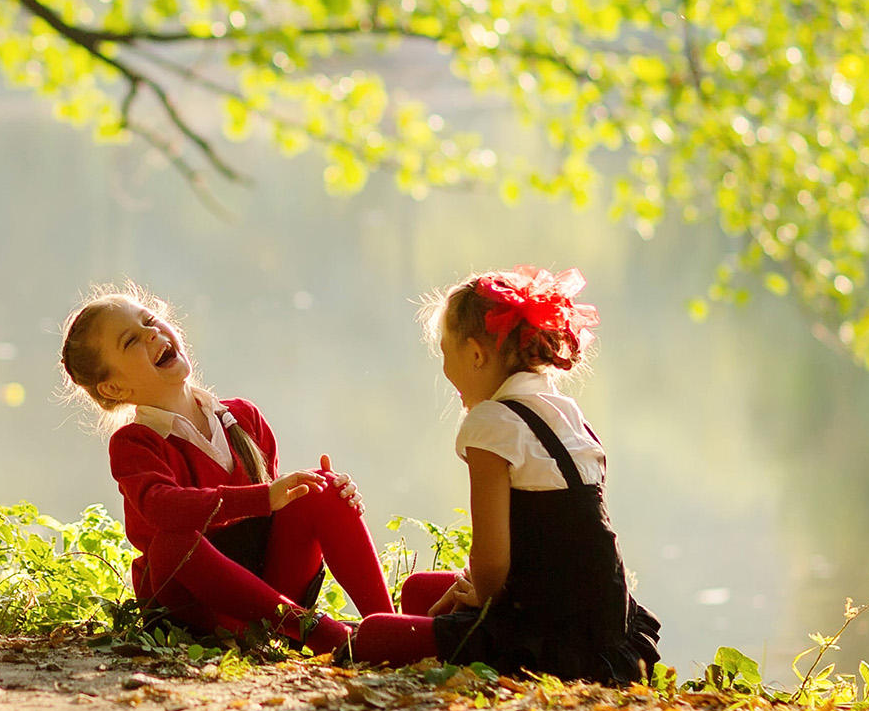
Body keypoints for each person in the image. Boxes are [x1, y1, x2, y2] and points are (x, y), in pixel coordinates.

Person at [58, 286, 440, 660]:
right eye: (131, 340)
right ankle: (326, 634)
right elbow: (162, 507)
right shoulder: (135, 443)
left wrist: (320, 494)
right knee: (172, 543)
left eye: (150, 320)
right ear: (114, 386)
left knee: (317, 487)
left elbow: (271, 523)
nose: (152, 333)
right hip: (202, 613)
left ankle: (389, 630)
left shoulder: (243, 417)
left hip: (265, 598)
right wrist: (263, 497)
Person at [411, 266, 662, 684]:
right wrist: (481, 588)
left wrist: (485, 592)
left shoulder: (490, 422)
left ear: (475, 355)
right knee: (421, 590)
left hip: (546, 636)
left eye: (444, 352)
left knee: (376, 636)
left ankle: (331, 634)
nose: (444, 369)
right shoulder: (563, 410)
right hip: (605, 628)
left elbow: (491, 566)